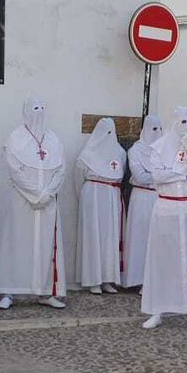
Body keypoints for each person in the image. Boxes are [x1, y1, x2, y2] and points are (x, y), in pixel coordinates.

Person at [141, 107, 187, 331]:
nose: (186, 126)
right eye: (182, 122)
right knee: (163, 259)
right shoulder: (158, 147)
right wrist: (178, 170)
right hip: (166, 207)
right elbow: (157, 175)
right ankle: (157, 310)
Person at [0, 97, 68, 310]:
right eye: (35, 108)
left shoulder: (53, 139)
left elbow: (61, 170)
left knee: (46, 246)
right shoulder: (15, 138)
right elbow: (15, 170)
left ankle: (45, 292)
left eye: (43, 108)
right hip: (23, 201)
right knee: (16, 244)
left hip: (47, 203)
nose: (40, 112)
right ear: (26, 111)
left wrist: (48, 193)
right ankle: (9, 291)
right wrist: (35, 194)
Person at [77, 118, 126, 294]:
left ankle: (107, 279)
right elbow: (79, 177)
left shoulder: (120, 153)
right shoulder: (87, 153)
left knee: (109, 238)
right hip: (93, 195)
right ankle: (93, 280)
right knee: (93, 237)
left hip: (112, 196)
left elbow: (121, 173)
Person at [122, 114, 163, 289]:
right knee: (140, 238)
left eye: (161, 128)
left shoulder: (164, 150)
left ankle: (156, 281)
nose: (158, 133)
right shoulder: (135, 150)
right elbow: (139, 175)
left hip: (159, 198)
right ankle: (138, 279)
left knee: (158, 239)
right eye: (154, 129)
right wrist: (160, 177)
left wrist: (158, 177)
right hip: (141, 198)